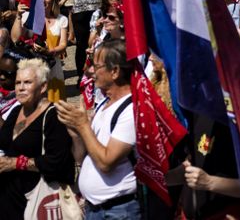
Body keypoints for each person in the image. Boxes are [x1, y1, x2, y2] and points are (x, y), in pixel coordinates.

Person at [55, 38, 139, 218]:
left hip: (118, 211)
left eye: (96, 66)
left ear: (115, 71)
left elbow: (106, 162)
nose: (91, 71)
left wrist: (83, 125)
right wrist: (76, 134)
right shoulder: (104, 105)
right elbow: (82, 157)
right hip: (96, 210)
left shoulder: (130, 110)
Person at [0, 58, 75, 218]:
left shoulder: (54, 116)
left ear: (43, 87)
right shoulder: (16, 111)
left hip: (39, 201)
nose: (20, 88)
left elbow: (58, 162)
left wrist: (15, 163)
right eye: (18, 82)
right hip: (11, 200)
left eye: (27, 82)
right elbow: (4, 141)